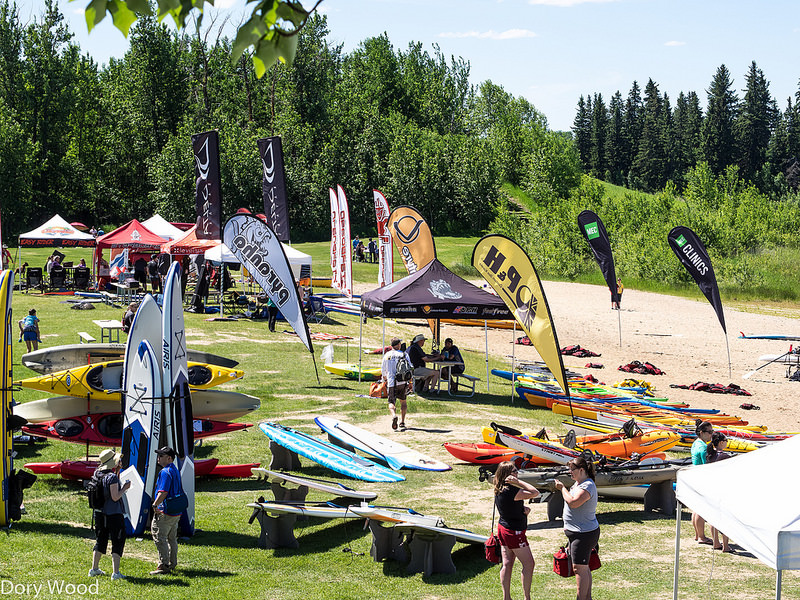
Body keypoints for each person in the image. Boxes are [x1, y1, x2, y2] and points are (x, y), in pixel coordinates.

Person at [555, 456, 600, 600]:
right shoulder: (579, 484)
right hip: (579, 533)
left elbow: (573, 502)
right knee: (583, 567)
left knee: (579, 569)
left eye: (572, 469)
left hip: (583, 535)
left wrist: (562, 488)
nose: (570, 472)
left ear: (581, 470)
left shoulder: (587, 485)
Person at [493, 461, 540, 600]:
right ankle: (527, 598)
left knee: (507, 564)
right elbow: (535, 493)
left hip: (503, 528)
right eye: (514, 471)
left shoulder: (499, 488)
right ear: (507, 475)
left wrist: (521, 510)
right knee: (529, 563)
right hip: (514, 532)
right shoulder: (512, 490)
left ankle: (506, 597)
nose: (517, 472)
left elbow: (509, 507)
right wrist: (519, 482)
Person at [89, 449, 131, 580]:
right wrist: (125, 488)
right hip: (113, 514)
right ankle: (116, 572)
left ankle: (94, 569)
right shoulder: (111, 477)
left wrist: (116, 471)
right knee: (117, 540)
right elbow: (115, 496)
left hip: (100, 513)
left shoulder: (98, 473)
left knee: (100, 540)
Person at [150, 446, 183, 575]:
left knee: (160, 537)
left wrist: (155, 505)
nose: (158, 458)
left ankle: (164, 565)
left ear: (169, 458)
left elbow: (163, 492)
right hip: (176, 511)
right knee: (172, 538)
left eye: (161, 456)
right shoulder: (174, 469)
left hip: (165, 511)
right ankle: (172, 563)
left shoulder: (165, 472)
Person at [707, 432, 733, 552]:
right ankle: (726, 545)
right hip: (723, 489)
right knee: (725, 518)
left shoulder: (710, 455)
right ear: (721, 442)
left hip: (711, 488)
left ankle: (716, 542)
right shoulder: (725, 456)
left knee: (713, 517)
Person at [691, 421, 714, 545]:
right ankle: (701, 536)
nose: (711, 434)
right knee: (701, 508)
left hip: (696, 476)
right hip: (702, 478)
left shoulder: (696, 443)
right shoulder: (703, 447)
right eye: (709, 432)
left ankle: (697, 535)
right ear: (702, 433)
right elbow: (707, 464)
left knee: (696, 508)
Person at [381, 337, 409, 431]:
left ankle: (393, 415)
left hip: (391, 382)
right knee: (403, 401)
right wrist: (411, 382)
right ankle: (402, 421)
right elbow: (410, 367)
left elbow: (383, 369)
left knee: (391, 402)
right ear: (398, 345)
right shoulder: (404, 354)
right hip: (402, 381)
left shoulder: (387, 355)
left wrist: (385, 379)